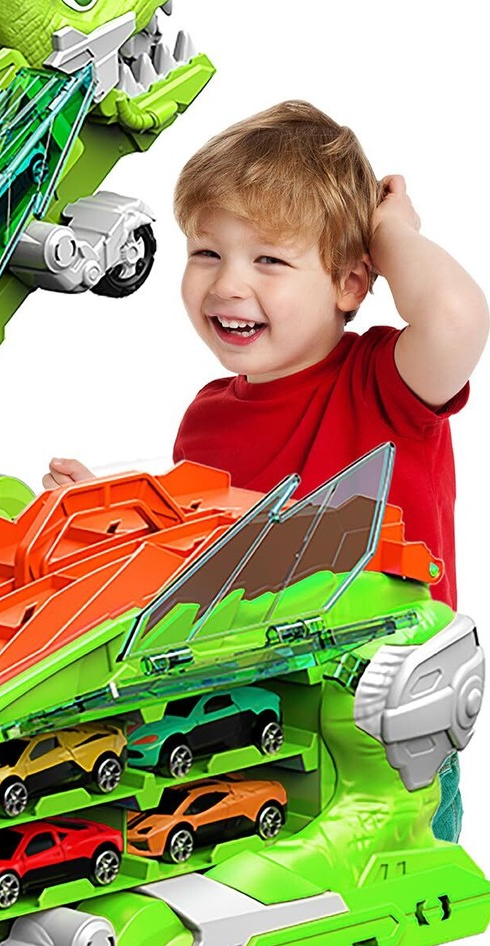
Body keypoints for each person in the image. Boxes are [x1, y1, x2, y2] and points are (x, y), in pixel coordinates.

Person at [44, 101, 488, 838]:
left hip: (384, 729)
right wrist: (121, 509)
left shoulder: (387, 383)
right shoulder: (207, 417)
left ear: (351, 284)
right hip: (261, 724)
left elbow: (456, 317)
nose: (227, 284)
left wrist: (391, 233)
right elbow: (206, 562)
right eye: (207, 252)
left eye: (269, 260)